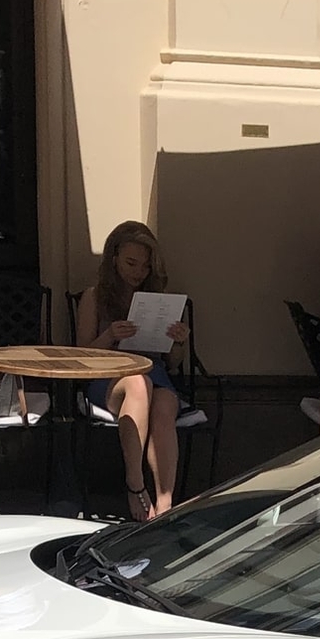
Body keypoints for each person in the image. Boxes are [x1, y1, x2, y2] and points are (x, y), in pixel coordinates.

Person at [80, 220, 190, 519]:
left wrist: (178, 341)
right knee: (139, 384)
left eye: (144, 266)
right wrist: (111, 335)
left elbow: (173, 363)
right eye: (130, 263)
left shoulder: (157, 300)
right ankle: (135, 483)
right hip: (110, 376)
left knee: (166, 402)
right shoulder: (95, 297)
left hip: (154, 371)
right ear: (113, 259)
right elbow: (81, 355)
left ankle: (165, 501)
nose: (137, 272)